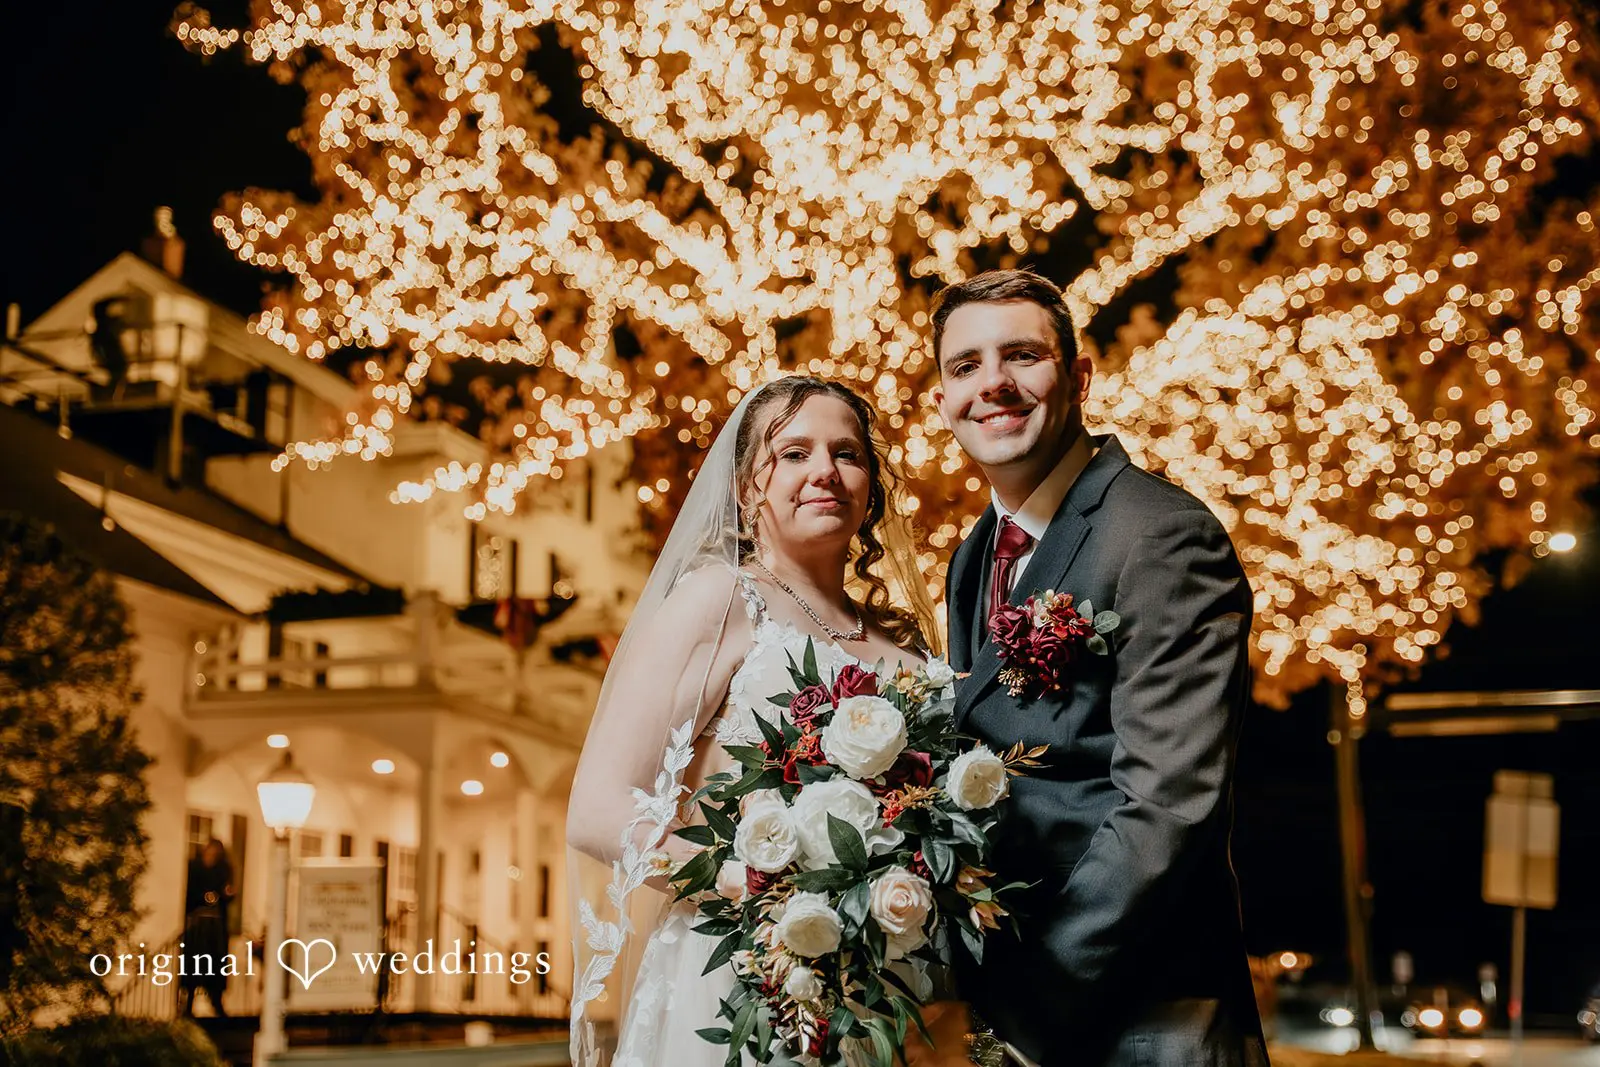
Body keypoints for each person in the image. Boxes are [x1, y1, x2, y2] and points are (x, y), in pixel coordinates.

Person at [909, 269, 1268, 1066]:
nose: (992, 382)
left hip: (1143, 1013)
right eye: (964, 366)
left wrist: (1025, 1005)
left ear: (1078, 377)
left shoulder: (1162, 534)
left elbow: (1168, 806)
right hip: (1016, 1005)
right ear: (941, 402)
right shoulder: (972, 557)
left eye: (1022, 355)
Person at [565, 377, 942, 1066]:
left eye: (847, 453)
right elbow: (595, 809)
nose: (824, 469)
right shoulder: (720, 600)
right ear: (746, 490)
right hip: (747, 974)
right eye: (793, 452)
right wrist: (760, 885)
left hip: (889, 987)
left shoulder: (907, 643)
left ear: (871, 486)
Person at [180, 838, 235, 1017]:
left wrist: (224, 895)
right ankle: (187, 1003)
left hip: (215, 929)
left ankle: (216, 1000)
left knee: (215, 966)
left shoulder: (223, 871)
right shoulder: (194, 869)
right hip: (197, 927)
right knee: (193, 965)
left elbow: (227, 894)